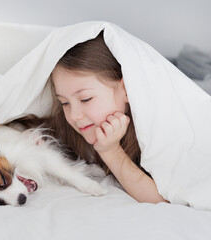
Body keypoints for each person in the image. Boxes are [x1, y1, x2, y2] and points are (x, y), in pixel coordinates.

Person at [46, 31, 168, 204]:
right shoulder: (64, 131)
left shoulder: (157, 129)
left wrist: (111, 151)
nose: (74, 115)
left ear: (126, 89)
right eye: (64, 103)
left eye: (85, 99)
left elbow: (160, 199)